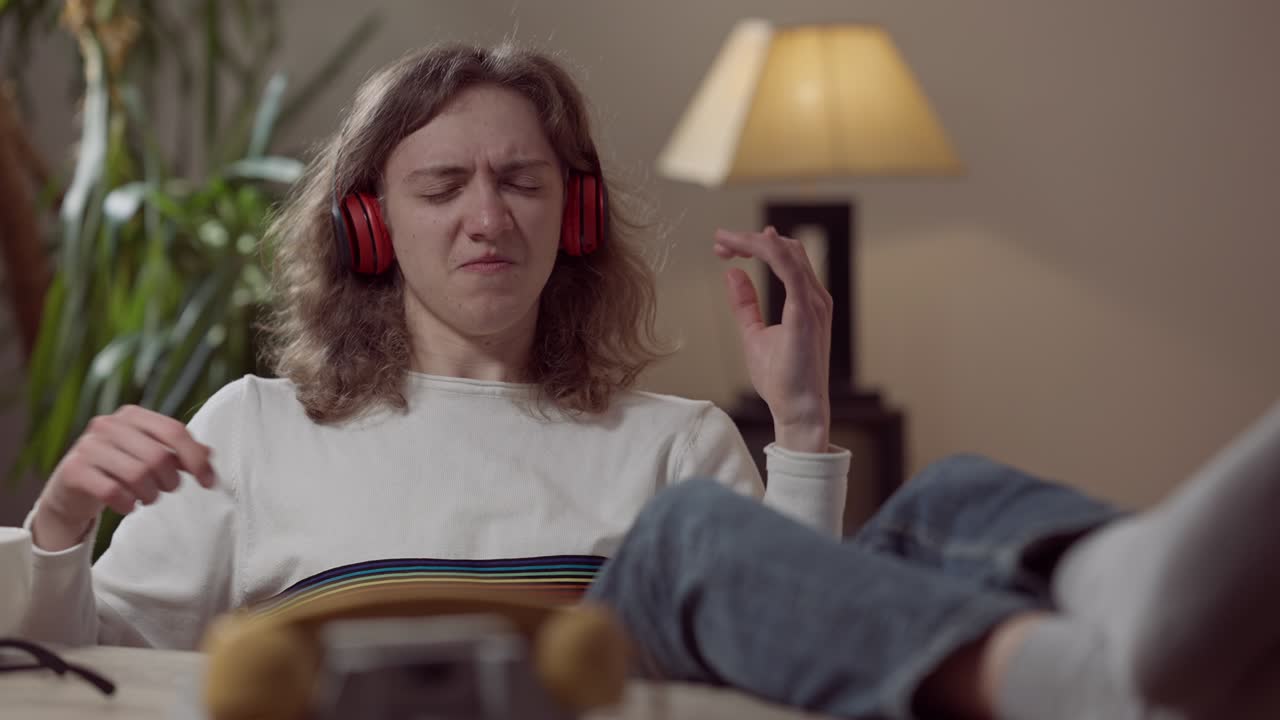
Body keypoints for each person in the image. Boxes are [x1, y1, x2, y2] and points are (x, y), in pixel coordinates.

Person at [14, 42, 1279, 720]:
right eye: (439, 187)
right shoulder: (258, 427)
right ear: (367, 230)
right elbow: (98, 668)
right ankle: (1096, 673)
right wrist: (63, 523)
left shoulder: (671, 434)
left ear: (568, 218)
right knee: (683, 541)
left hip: (662, 670)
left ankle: (1143, 615)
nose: (483, 218)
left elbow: (790, 637)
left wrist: (793, 425)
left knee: (942, 501)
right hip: (553, 692)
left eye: (518, 181)